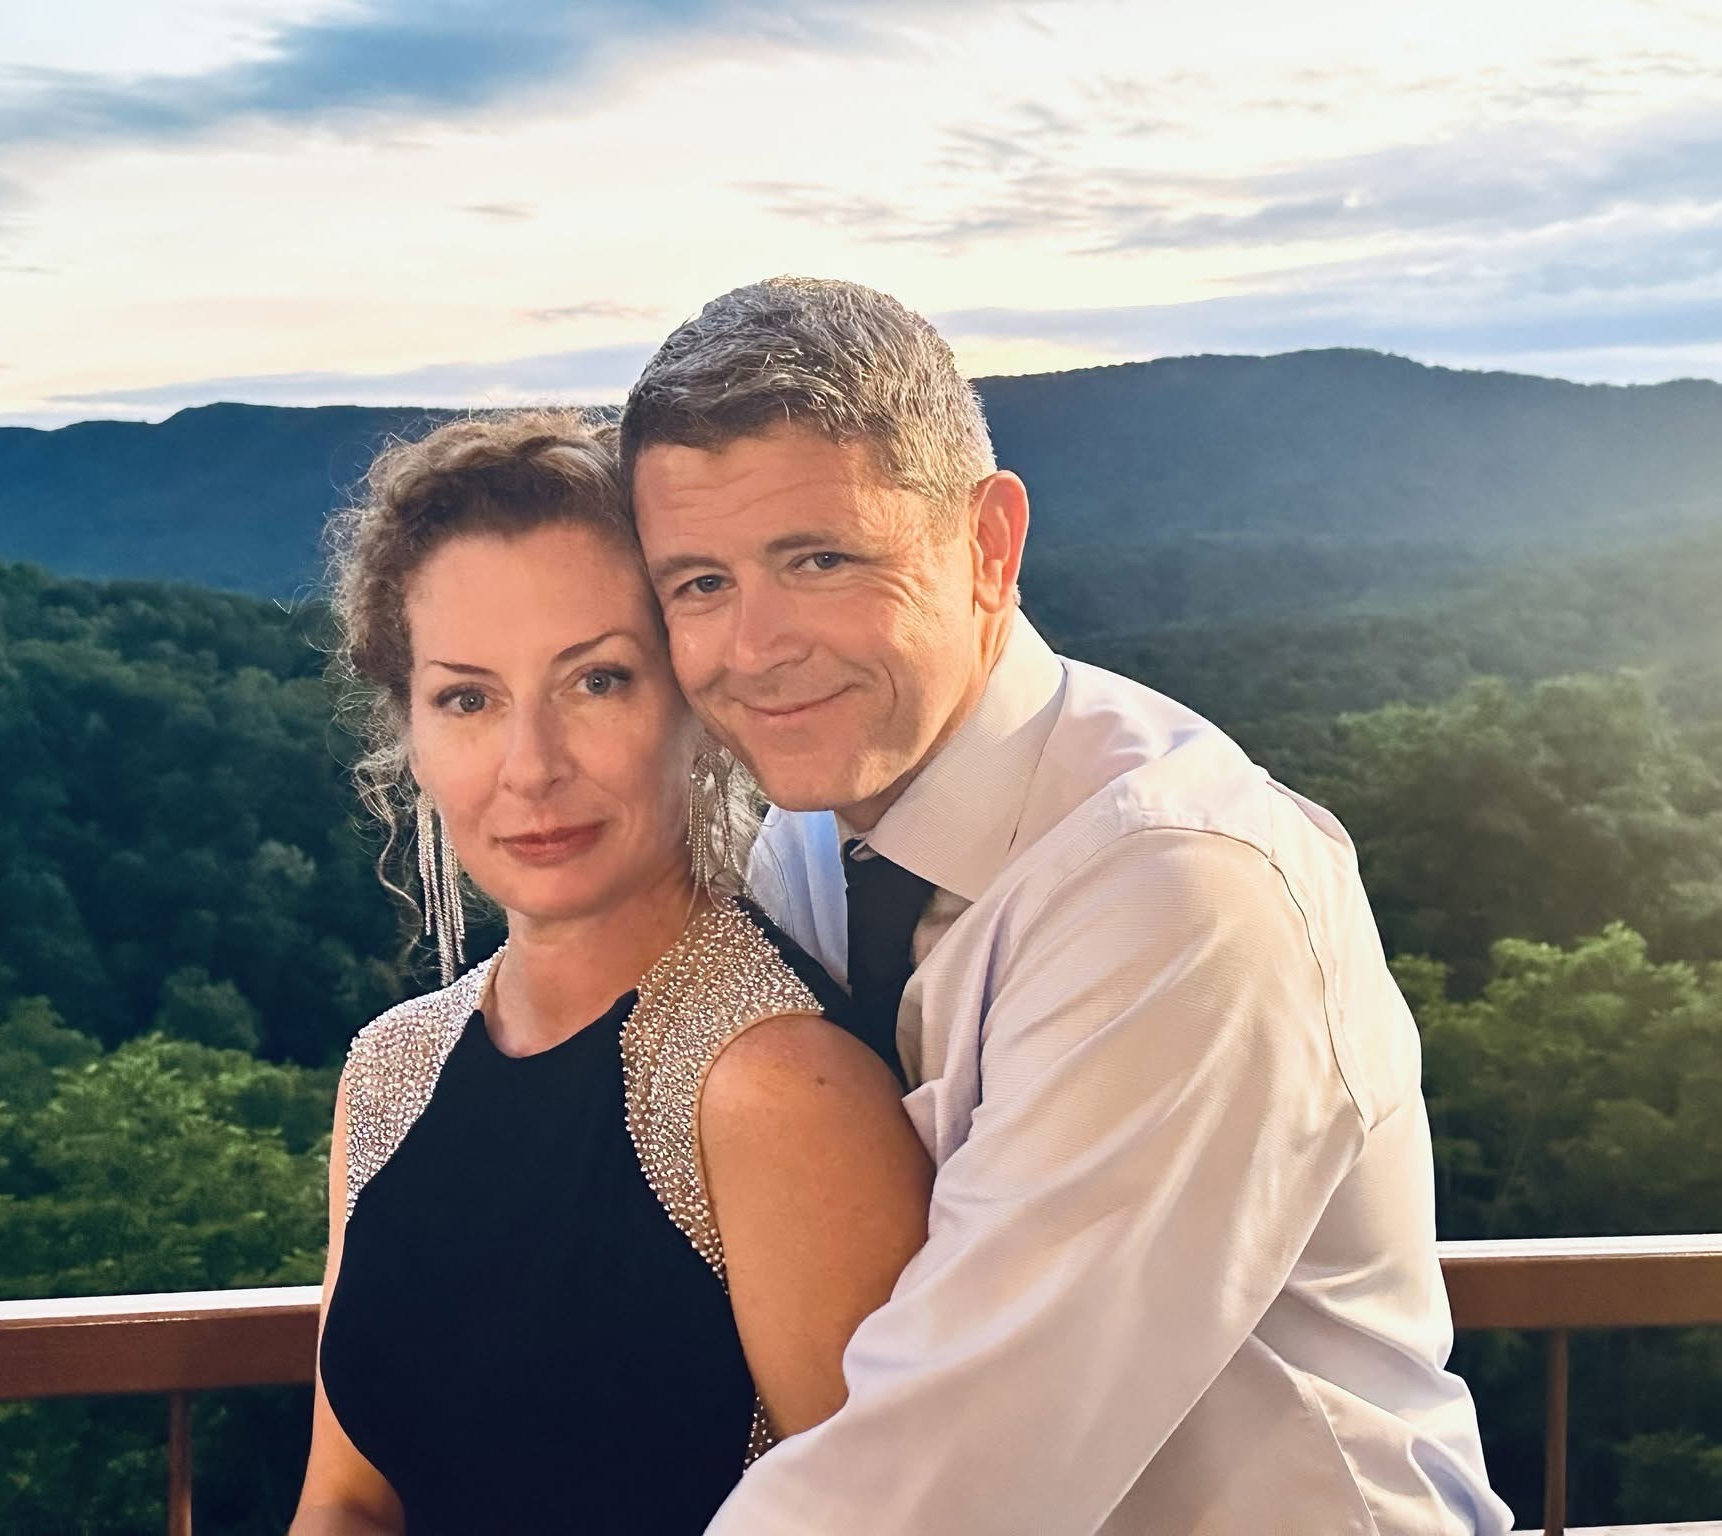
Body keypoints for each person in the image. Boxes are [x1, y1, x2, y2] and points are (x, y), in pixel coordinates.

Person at [622, 277, 1514, 1535]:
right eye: (698, 584)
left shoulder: (1178, 891)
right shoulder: (806, 845)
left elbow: (948, 1477)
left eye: (819, 560)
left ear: (988, 546)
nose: (753, 648)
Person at [290, 409, 932, 1535]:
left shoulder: (775, 1089)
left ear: (694, 703)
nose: (530, 766)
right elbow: (347, 1501)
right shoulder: (391, 1073)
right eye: (468, 698)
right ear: (410, 738)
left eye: (596, 681)